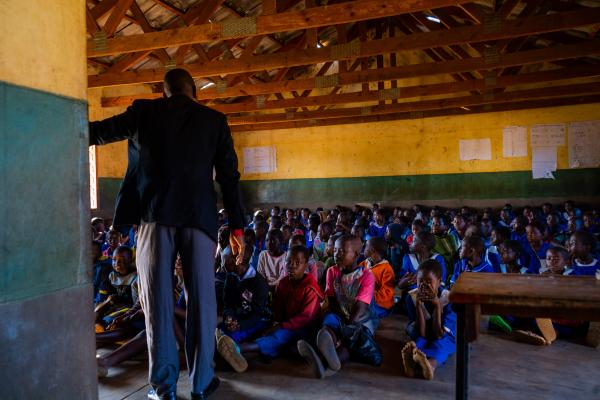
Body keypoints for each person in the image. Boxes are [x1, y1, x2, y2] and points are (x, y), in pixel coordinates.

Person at [89, 68, 246, 399]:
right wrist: (236, 227)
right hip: (200, 222)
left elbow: (101, 133)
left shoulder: (145, 112)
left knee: (157, 305)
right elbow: (230, 177)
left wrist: (64, 127)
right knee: (202, 304)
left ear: (164, 93)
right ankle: (202, 384)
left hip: (154, 218)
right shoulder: (214, 120)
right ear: (194, 93)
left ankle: (163, 388)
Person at [217, 245, 324, 373]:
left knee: (279, 336)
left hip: (304, 327)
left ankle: (239, 349)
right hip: (285, 323)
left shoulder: (310, 286)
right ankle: (233, 353)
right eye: (288, 262)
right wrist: (275, 323)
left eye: (297, 263)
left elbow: (306, 317)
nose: (292, 266)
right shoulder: (284, 283)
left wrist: (280, 326)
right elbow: (277, 308)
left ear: (306, 264)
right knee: (272, 337)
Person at [310, 235, 381, 375]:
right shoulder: (332, 271)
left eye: (342, 251)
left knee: (352, 341)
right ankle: (327, 340)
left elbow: (360, 308)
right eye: (335, 250)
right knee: (329, 321)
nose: (337, 254)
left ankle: (326, 361)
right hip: (340, 314)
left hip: (362, 320)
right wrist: (338, 326)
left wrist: (343, 335)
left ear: (355, 254)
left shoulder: (366, 276)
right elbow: (332, 301)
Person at [402, 259, 456, 380]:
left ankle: (430, 365)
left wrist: (437, 306)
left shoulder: (449, 299)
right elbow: (422, 332)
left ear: (439, 282)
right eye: (420, 281)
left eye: (428, 282)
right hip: (425, 331)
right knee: (419, 341)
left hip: (444, 334)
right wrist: (419, 306)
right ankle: (414, 363)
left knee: (441, 344)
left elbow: (439, 334)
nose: (424, 286)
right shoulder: (411, 298)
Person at [360, 237, 395, 318]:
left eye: (366, 247)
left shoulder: (386, 269)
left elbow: (387, 293)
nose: (364, 249)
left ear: (372, 250)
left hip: (381, 305)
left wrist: (367, 295)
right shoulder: (364, 264)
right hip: (364, 300)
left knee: (364, 313)